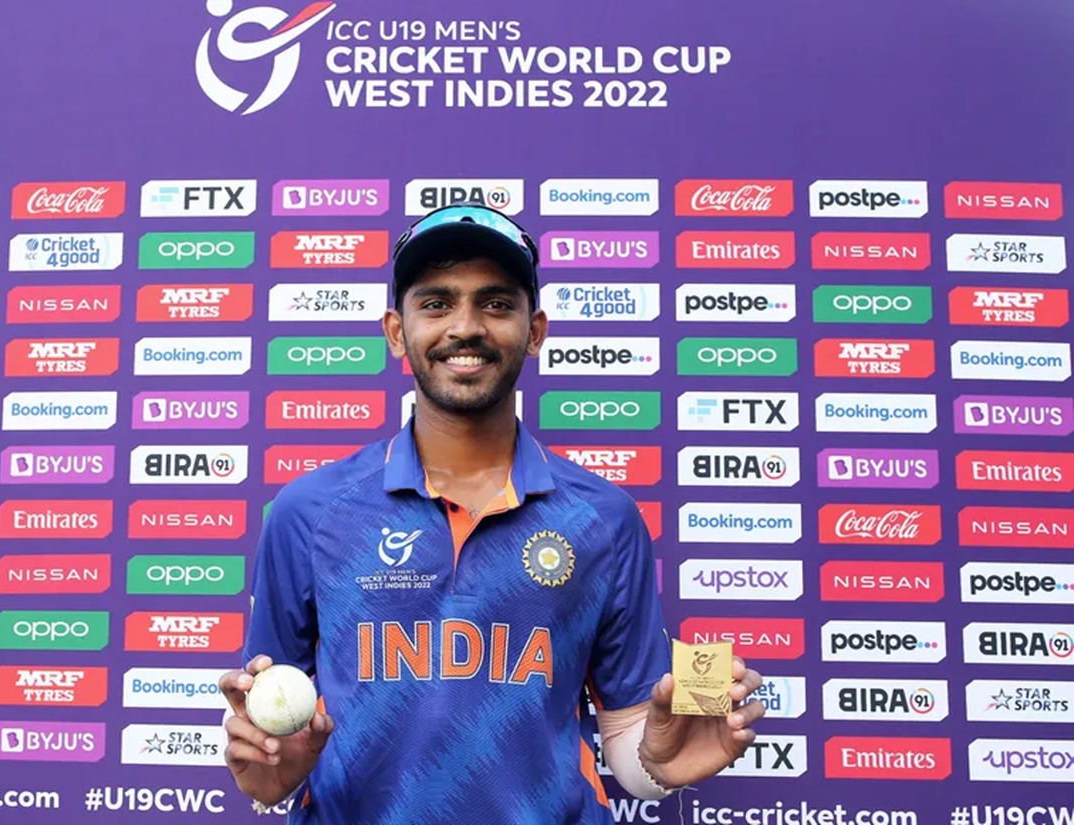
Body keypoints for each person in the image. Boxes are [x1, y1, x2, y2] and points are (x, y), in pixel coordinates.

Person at [218, 202, 766, 823]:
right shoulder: (310, 511)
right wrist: (272, 774)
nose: (466, 326)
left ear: (535, 331)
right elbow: (271, 751)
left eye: (497, 303)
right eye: (436, 304)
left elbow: (632, 737)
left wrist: (661, 768)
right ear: (397, 332)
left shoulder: (605, 518)